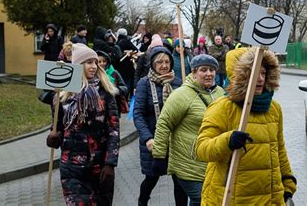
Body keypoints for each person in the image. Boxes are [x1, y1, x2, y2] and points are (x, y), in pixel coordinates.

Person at [195, 47, 297, 205]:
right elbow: (201, 149)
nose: (261, 79)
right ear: (240, 77)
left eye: (263, 73)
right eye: (254, 72)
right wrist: (227, 141)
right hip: (231, 198)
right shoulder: (223, 107)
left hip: (269, 198)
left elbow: (279, 150)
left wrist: (288, 183)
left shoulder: (274, 109)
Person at [45, 43, 120, 205]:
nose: (94, 66)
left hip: (99, 168)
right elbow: (57, 129)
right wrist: (52, 138)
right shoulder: (61, 96)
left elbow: (113, 130)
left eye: (95, 62)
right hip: (72, 168)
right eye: (88, 62)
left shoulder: (105, 92)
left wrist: (110, 163)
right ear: (78, 65)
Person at [152, 54, 225, 206]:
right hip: (188, 163)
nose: (209, 74)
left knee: (207, 200)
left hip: (213, 161)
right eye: (203, 70)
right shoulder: (181, 95)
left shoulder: (220, 93)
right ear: (193, 72)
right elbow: (164, 124)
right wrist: (159, 156)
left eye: (212, 70)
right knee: (201, 199)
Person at [133, 46, 186, 206]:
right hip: (154, 141)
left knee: (180, 182)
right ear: (152, 64)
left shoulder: (179, 82)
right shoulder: (144, 83)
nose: (164, 65)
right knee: (151, 178)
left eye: (167, 62)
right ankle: (142, 202)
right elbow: (138, 114)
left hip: (176, 141)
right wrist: (147, 138)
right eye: (159, 62)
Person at [96, 50, 128, 116]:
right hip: (98, 107)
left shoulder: (114, 72)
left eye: (104, 61)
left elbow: (125, 88)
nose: (102, 63)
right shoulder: (93, 74)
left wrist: (114, 90)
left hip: (113, 107)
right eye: (99, 62)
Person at [116, 28, 138, 96]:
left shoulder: (117, 42)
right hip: (128, 65)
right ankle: (126, 96)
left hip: (119, 65)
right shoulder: (127, 41)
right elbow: (136, 50)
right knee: (127, 82)